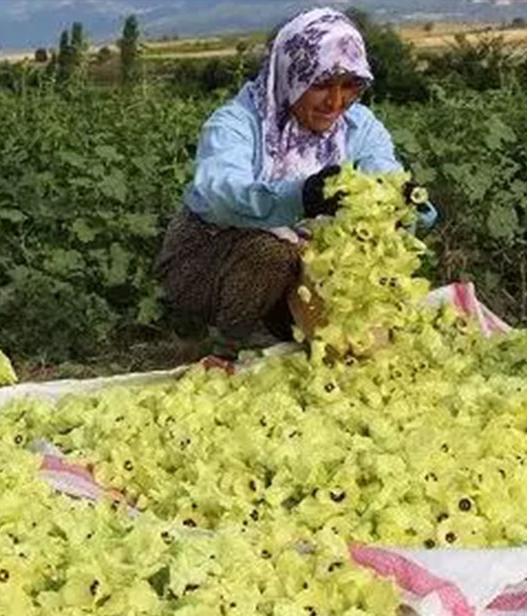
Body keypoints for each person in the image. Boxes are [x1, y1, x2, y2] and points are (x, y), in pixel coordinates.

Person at [155, 7, 437, 356]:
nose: (335, 102)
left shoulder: (359, 127)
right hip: (207, 261)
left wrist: (404, 200)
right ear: (291, 76)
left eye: (349, 85)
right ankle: (226, 346)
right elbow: (217, 194)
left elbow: (384, 174)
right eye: (320, 85)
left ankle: (285, 327)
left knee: (359, 266)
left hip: (300, 266)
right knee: (273, 252)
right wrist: (299, 197)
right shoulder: (237, 123)